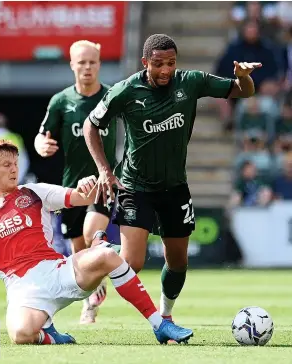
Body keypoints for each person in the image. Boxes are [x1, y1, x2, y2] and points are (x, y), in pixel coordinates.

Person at [0, 139, 193, 345]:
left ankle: (160, 324)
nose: (13, 169)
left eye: (15, 163)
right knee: (20, 335)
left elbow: (78, 197)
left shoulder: (32, 192)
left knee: (110, 259)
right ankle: (49, 333)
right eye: (6, 165)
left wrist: (87, 186)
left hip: (58, 270)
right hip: (23, 290)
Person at [83, 34, 261, 326]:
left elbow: (243, 92)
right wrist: (105, 170)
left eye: (171, 63)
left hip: (175, 186)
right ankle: (103, 253)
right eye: (158, 64)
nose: (165, 70)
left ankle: (166, 313)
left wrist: (242, 77)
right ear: (145, 63)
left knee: (178, 262)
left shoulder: (190, 82)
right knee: (132, 264)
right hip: (135, 186)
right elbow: (92, 125)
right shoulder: (125, 91)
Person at [34, 40, 118, 324]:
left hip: (103, 184)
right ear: (72, 65)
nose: (87, 67)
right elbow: (42, 135)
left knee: (92, 236)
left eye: (92, 62)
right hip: (71, 187)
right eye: (81, 62)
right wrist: (40, 146)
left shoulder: (111, 96)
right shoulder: (61, 101)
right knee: (78, 254)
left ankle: (90, 304)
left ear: (99, 64)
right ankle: (95, 293)